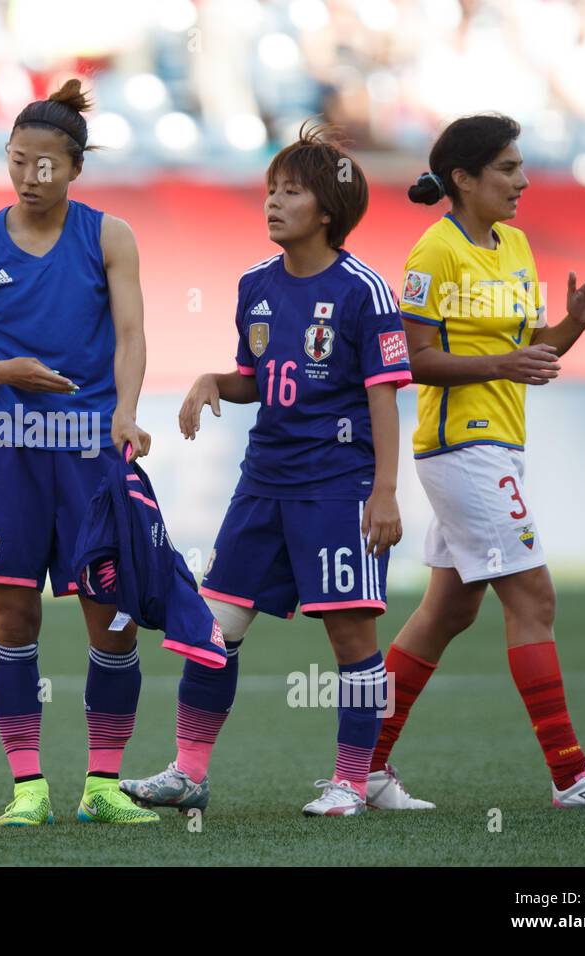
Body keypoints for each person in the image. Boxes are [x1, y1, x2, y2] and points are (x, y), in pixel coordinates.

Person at [121, 124, 412, 818]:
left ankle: (351, 780)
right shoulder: (254, 284)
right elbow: (258, 377)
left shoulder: (364, 290)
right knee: (213, 626)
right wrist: (215, 381)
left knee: (351, 636)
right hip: (263, 484)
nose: (274, 203)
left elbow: (383, 395)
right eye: (271, 190)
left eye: (292, 191)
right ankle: (189, 771)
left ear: (329, 209)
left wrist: (385, 491)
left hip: (337, 486)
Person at [369, 114, 585, 810]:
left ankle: (363, 769)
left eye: (521, 166)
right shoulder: (434, 253)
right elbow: (410, 359)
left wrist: (574, 324)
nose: (522, 180)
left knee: (447, 613)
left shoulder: (518, 246)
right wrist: (504, 361)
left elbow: (533, 359)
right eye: (506, 168)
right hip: (459, 446)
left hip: (498, 442)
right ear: (462, 179)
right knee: (535, 599)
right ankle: (571, 776)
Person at [0, 80, 158, 827]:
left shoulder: (108, 235)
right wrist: (2, 373)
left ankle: (103, 784)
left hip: (91, 457)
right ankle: (28, 788)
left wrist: (125, 412)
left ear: (74, 168)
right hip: (10, 456)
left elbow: (130, 336)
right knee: (13, 619)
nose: (29, 177)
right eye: (17, 161)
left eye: (44, 165)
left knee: (111, 620)